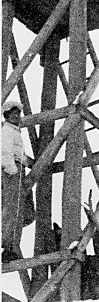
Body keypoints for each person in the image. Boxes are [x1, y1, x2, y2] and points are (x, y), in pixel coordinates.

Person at [2, 101, 35, 263]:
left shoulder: (15, 131)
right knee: (13, 209)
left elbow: (18, 153)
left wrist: (29, 163)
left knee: (24, 211)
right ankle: (8, 247)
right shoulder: (6, 131)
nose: (17, 117)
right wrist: (11, 170)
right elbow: (5, 152)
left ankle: (9, 241)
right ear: (6, 116)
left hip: (18, 169)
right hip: (11, 171)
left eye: (18, 114)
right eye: (13, 114)